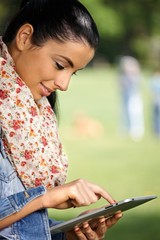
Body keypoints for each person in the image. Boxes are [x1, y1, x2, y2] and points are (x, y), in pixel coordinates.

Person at [0, 0, 122, 239]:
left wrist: (66, 234)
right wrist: (45, 197)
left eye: (72, 72)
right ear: (25, 37)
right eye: (59, 65)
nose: (64, 85)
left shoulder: (26, 113)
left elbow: (17, 229)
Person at [118, 56, 144, 141]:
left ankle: (136, 131)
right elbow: (119, 85)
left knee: (134, 113)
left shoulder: (135, 76)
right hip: (125, 96)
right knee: (124, 113)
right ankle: (125, 129)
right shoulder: (123, 76)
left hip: (133, 97)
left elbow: (136, 86)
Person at [150, 70, 160, 138]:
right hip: (155, 102)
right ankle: (156, 131)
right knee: (155, 117)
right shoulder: (153, 82)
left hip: (157, 101)